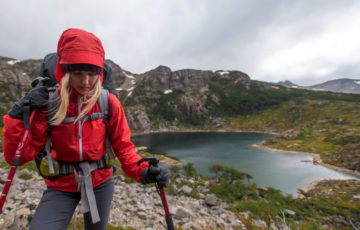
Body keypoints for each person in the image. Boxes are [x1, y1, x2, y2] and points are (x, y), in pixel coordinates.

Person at [2, 28, 169, 230]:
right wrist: (17, 114)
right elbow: (17, 157)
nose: (86, 82)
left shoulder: (108, 102)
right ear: (65, 72)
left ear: (99, 73)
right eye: (78, 73)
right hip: (60, 185)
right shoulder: (50, 103)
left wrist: (142, 171)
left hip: (100, 183)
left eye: (92, 74)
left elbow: (123, 147)